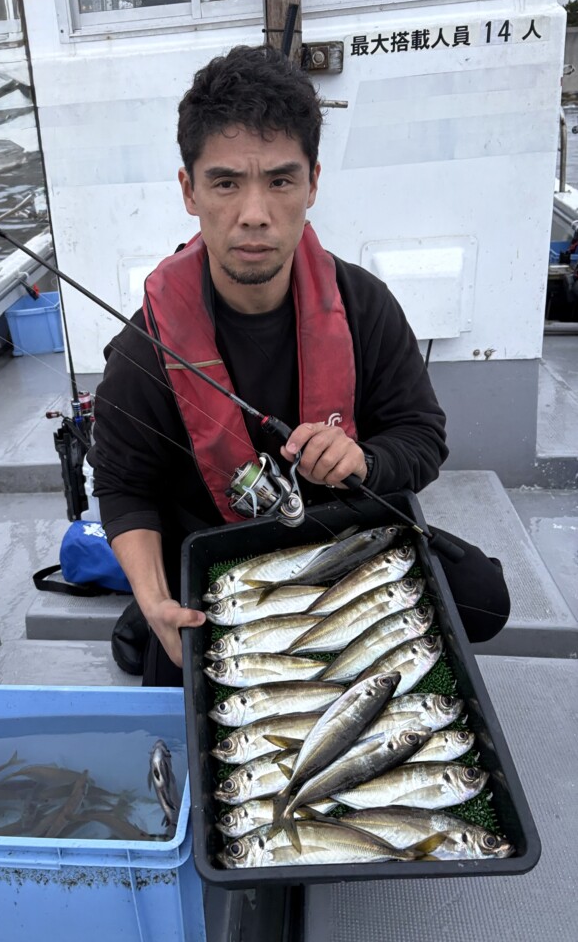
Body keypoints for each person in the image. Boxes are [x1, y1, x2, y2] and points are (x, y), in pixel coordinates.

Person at [91, 44, 509, 687]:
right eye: (226, 182)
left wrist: (364, 461)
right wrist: (154, 601)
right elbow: (124, 488)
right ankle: (139, 621)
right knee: (169, 674)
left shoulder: (363, 304)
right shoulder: (145, 344)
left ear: (313, 183)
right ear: (189, 190)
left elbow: (422, 437)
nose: (254, 214)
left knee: (484, 598)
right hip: (222, 553)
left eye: (280, 181)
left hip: (347, 537)